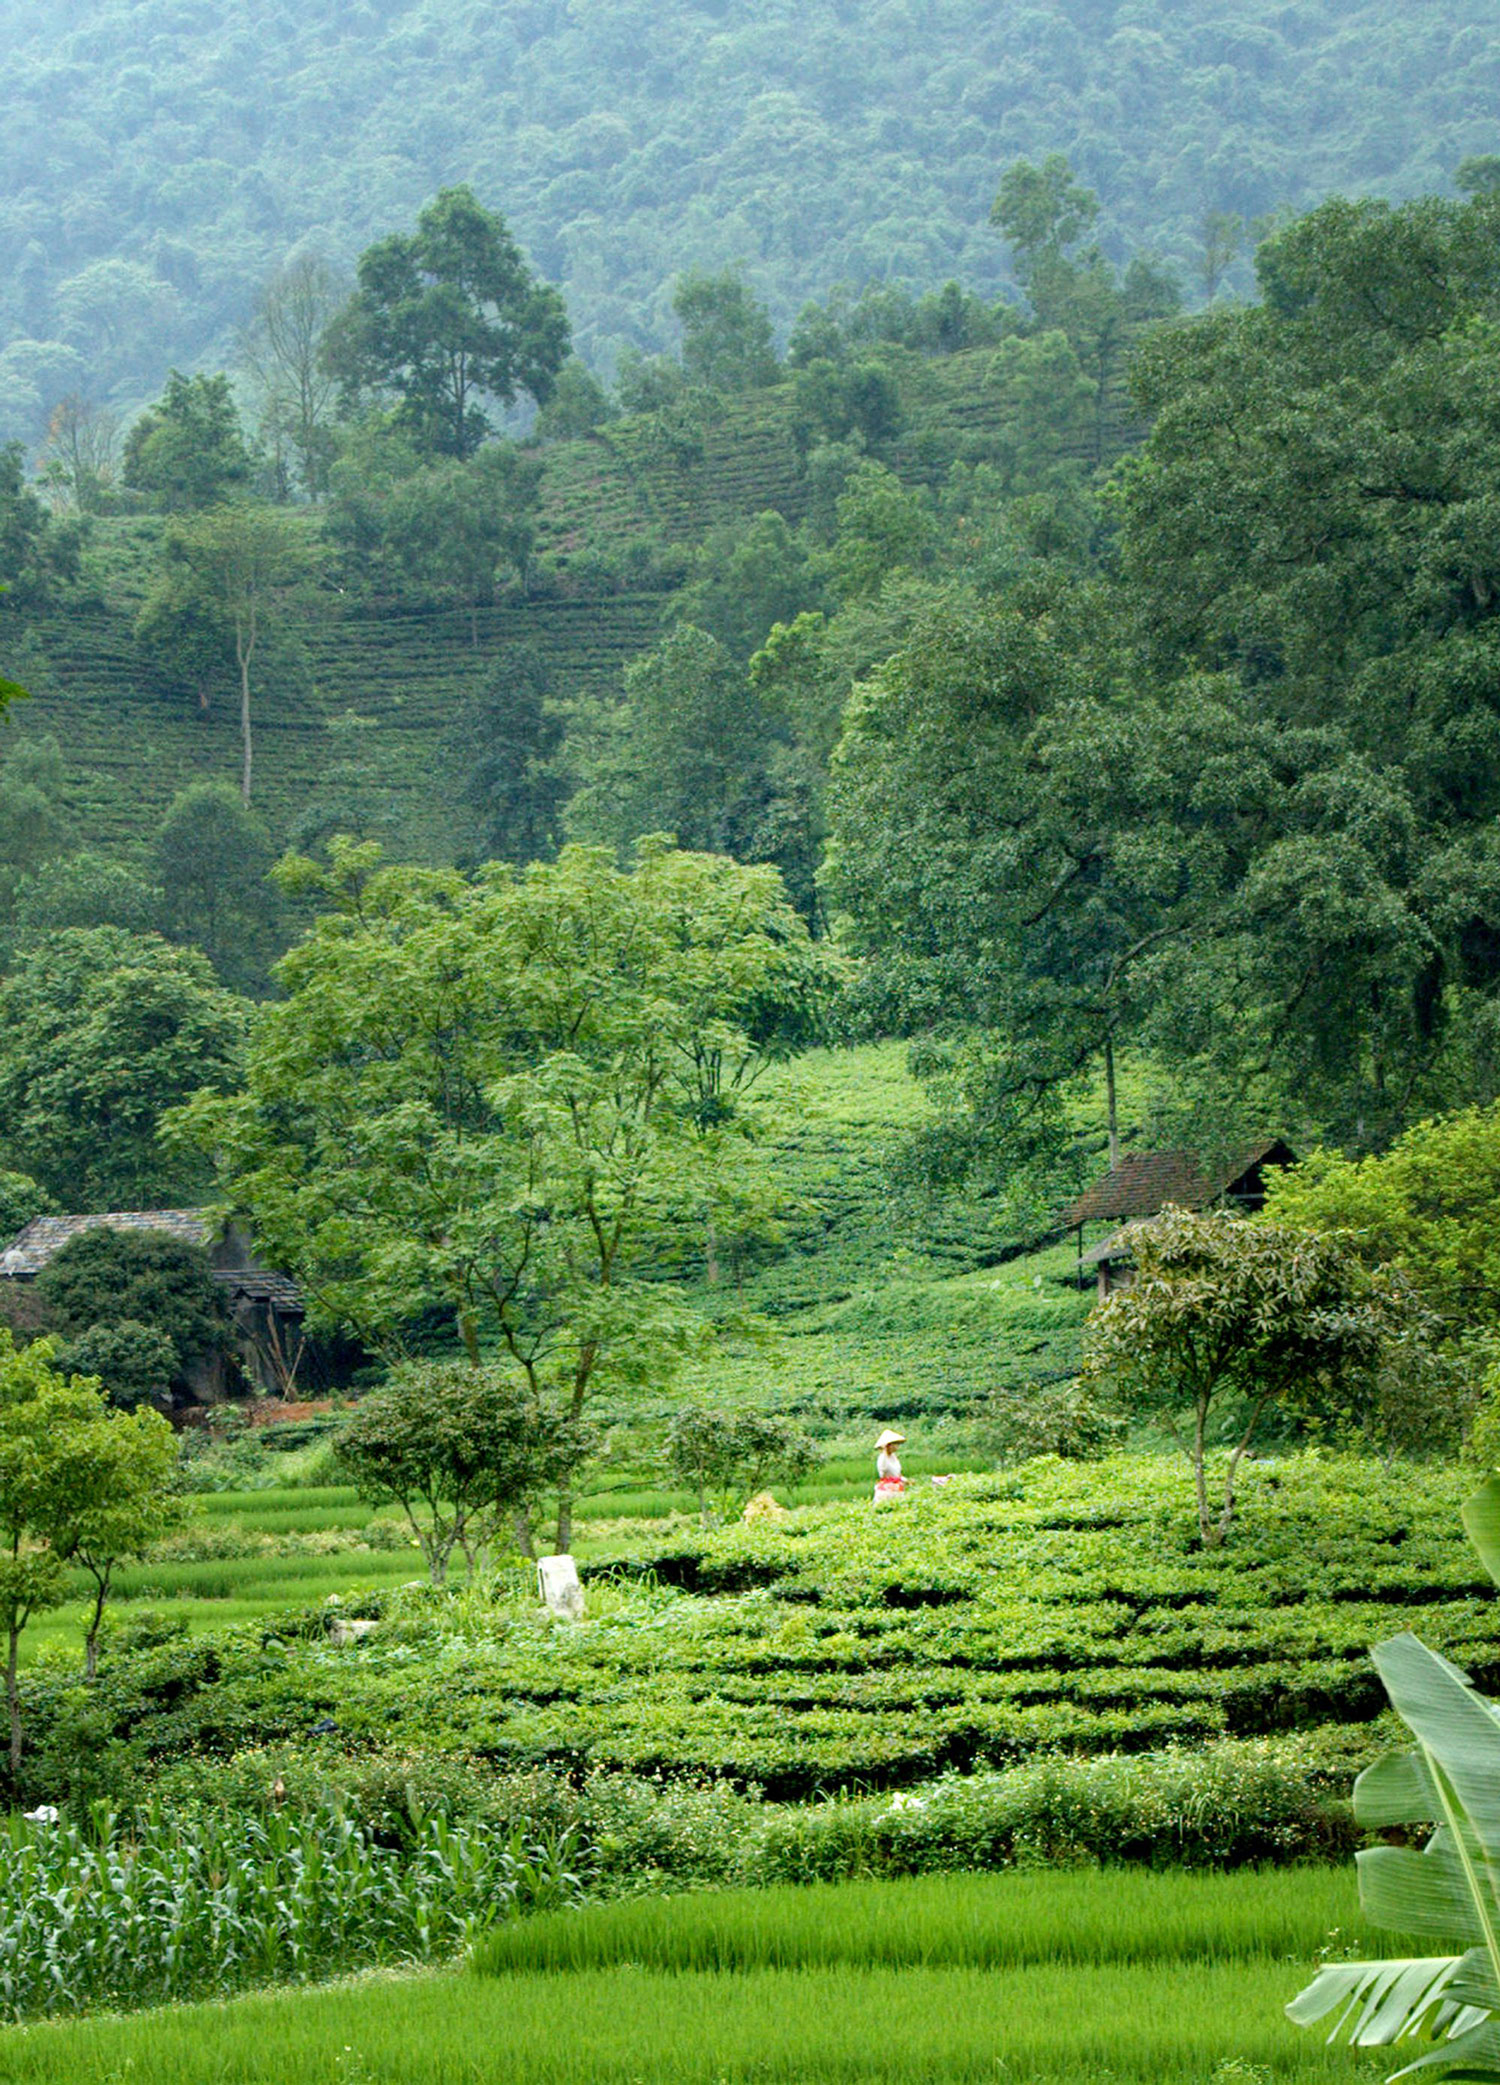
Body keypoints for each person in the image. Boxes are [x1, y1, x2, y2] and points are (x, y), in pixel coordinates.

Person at [873, 1427, 907, 1503]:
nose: (897, 1446)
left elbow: (897, 1473)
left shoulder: (894, 1457)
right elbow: (883, 1472)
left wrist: (903, 1479)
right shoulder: (882, 1458)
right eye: (895, 1444)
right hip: (886, 1491)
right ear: (889, 1445)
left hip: (897, 1488)